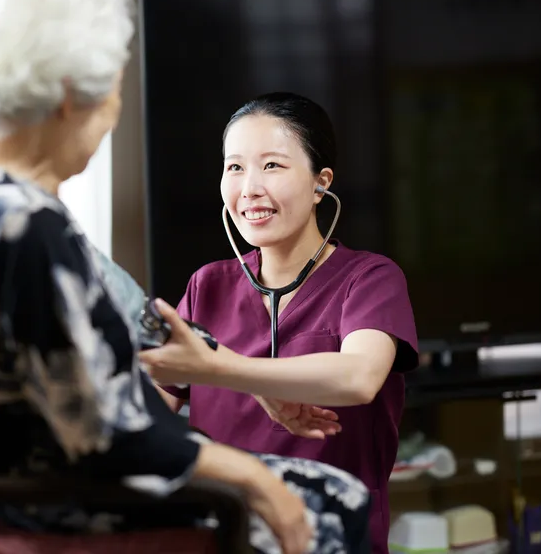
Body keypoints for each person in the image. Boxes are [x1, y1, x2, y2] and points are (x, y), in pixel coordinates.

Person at [0, 0, 373, 553]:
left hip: (29, 476)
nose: (112, 116)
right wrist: (251, 477)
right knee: (333, 499)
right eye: (112, 95)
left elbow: (131, 326)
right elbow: (106, 432)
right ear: (68, 94)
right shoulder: (26, 227)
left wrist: (246, 380)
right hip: (52, 497)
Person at [140, 92, 419, 554]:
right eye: (234, 167)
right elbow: (143, 411)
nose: (249, 188)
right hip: (222, 538)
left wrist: (219, 368)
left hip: (331, 538)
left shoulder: (370, 279)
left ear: (320, 184)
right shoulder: (207, 286)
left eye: (272, 165)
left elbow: (359, 377)